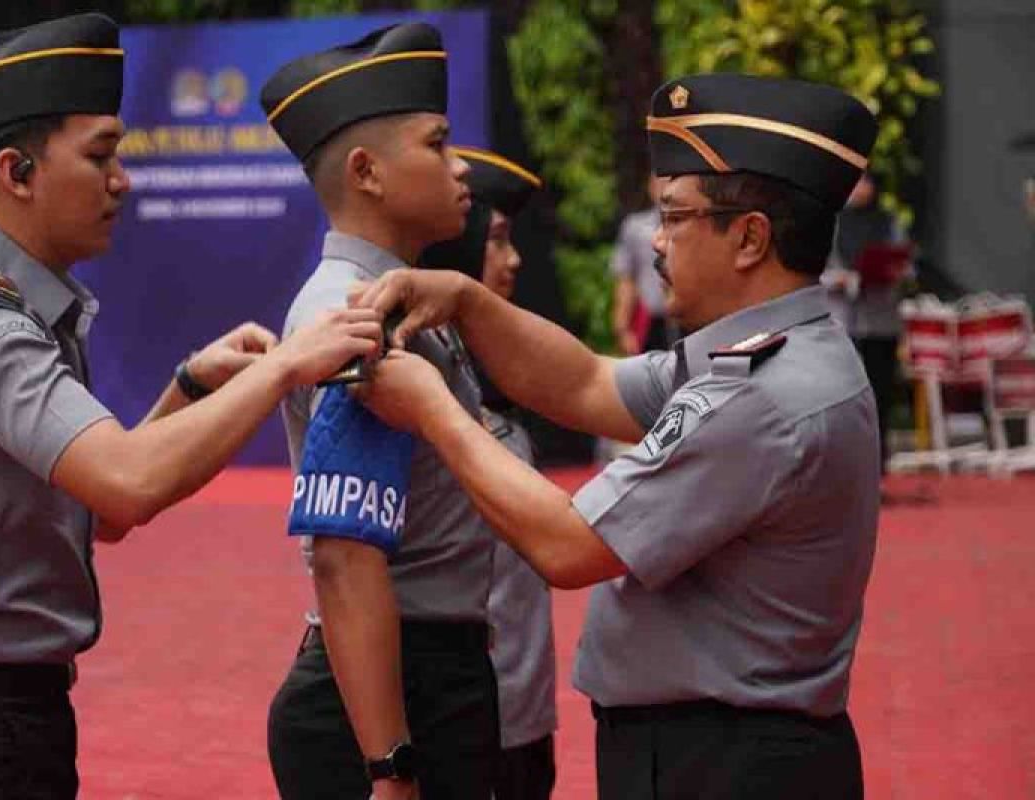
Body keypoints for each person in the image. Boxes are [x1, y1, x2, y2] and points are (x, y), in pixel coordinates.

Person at [0, 14, 381, 799]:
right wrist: (281, 372)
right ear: (18, 172)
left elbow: (102, 507)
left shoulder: (27, 310)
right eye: (100, 155)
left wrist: (191, 387)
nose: (121, 179)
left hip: (2, 714)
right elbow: (126, 483)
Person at [354, 73, 881, 799]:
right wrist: (469, 303)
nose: (657, 244)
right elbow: (586, 385)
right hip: (721, 745)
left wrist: (433, 408)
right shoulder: (770, 350)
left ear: (751, 238)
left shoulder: (763, 396)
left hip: (724, 760)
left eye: (676, 216)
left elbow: (567, 546)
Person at [260, 23, 498, 800]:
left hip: (426, 672)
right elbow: (346, 554)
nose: (460, 167)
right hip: (395, 695)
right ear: (366, 171)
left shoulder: (403, 297)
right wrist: (390, 768)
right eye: (437, 145)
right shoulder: (356, 316)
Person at [418, 147, 555, 800]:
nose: (513, 261)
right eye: (496, 241)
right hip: (465, 722)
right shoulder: (423, 392)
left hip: (523, 718)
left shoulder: (498, 383)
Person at [822, 172, 910, 474]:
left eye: (867, 182)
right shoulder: (830, 223)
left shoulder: (889, 222)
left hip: (882, 321)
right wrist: (846, 280)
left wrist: (895, 272)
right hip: (844, 322)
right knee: (843, 393)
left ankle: (879, 460)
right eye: (856, 182)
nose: (862, 189)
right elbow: (815, 272)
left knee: (880, 391)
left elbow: (906, 265)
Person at [612, 173, 675, 354]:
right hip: (649, 319)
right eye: (659, 181)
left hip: (684, 320)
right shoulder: (635, 227)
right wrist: (622, 327)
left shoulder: (694, 225)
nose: (663, 188)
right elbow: (626, 278)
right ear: (650, 186)